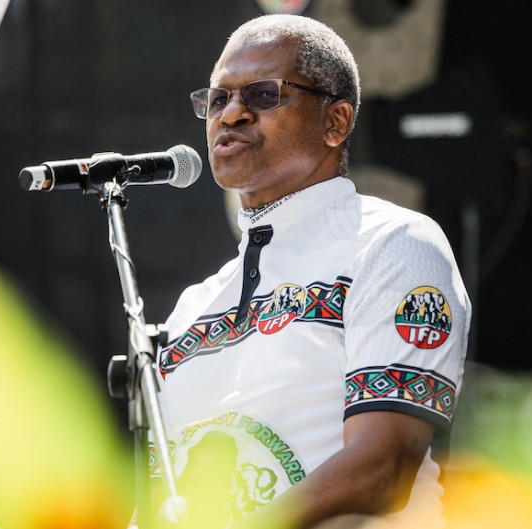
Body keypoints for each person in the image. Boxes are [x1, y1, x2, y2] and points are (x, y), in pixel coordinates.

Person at [146, 12, 471, 529]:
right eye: (217, 99)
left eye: (263, 95)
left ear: (335, 123)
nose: (230, 115)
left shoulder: (392, 243)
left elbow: (383, 468)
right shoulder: (193, 305)